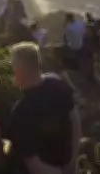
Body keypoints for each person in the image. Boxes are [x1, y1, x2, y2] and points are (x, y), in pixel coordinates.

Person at [8, 42, 81, 174]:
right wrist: (73, 161)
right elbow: (75, 121)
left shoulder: (21, 113)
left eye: (13, 65)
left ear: (20, 70)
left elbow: (34, 164)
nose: (12, 70)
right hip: (67, 166)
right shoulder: (58, 85)